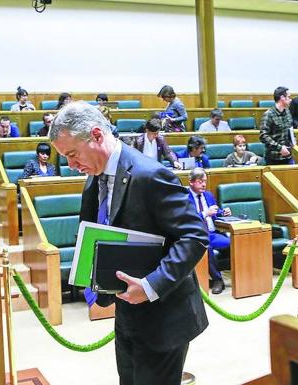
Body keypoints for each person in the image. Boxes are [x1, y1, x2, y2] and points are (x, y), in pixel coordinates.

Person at [49, 102, 209, 385]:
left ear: (96, 135)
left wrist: (149, 286)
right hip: (127, 312)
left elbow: (194, 236)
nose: (71, 165)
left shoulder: (151, 175)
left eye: (73, 154)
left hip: (163, 315)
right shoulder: (94, 178)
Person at [187, 168, 231, 294]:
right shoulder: (185, 197)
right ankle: (218, 280)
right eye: (200, 182)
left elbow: (216, 213)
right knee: (207, 247)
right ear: (191, 182)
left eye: (205, 181)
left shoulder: (208, 195)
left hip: (212, 234)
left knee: (233, 243)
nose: (204, 184)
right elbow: (187, 218)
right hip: (197, 235)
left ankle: (241, 278)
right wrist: (205, 213)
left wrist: (224, 212)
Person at [259, 86, 296, 165]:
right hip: (273, 159)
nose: (291, 99)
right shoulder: (269, 114)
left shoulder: (288, 112)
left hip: (288, 156)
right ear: (282, 97)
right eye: (289, 97)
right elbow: (263, 136)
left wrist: (293, 140)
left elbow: (290, 129)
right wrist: (279, 148)